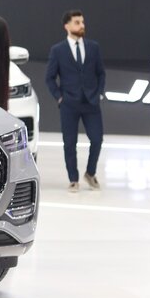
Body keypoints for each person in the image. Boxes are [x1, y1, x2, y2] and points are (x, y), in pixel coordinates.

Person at [45, 10, 105, 193]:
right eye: (77, 22)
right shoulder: (58, 50)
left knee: (97, 139)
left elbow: (101, 73)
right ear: (67, 26)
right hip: (69, 103)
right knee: (69, 143)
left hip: (91, 102)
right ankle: (73, 179)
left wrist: (99, 93)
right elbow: (49, 77)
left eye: (82, 22)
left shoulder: (93, 47)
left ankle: (90, 173)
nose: (82, 25)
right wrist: (59, 97)